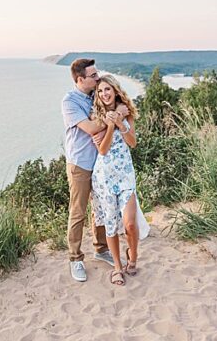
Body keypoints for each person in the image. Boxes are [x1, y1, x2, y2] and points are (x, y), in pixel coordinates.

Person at [61, 57, 122, 282]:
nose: (98, 78)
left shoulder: (94, 95)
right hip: (80, 164)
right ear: (80, 79)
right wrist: (112, 118)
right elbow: (89, 127)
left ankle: (100, 248)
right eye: (93, 76)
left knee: (101, 208)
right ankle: (75, 259)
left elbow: (116, 105)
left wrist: (118, 111)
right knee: (78, 212)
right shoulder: (70, 101)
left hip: (100, 163)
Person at [89, 74, 148, 286]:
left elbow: (132, 143)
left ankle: (132, 257)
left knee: (130, 223)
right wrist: (110, 126)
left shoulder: (126, 112)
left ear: (115, 91)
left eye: (108, 89)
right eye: (101, 91)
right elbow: (102, 149)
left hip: (125, 175)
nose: (104, 94)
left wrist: (120, 122)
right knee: (111, 226)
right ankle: (116, 267)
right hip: (103, 177)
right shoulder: (96, 116)